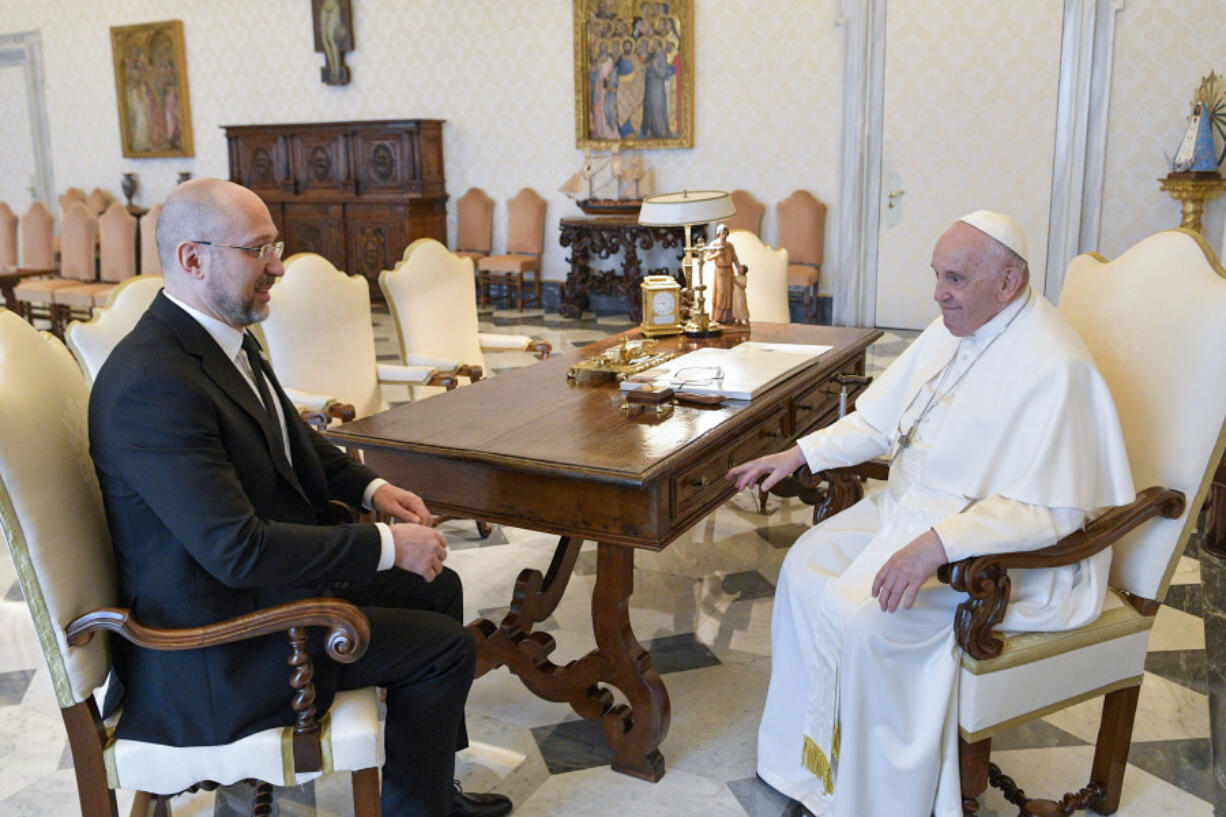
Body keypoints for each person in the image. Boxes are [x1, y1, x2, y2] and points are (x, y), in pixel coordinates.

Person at [89, 178, 513, 817]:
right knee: (443, 649)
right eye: (258, 250)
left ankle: (427, 795)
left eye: (275, 247)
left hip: (250, 599)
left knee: (438, 589)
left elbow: (295, 441)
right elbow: (237, 551)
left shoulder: (219, 337)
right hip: (214, 651)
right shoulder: (153, 384)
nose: (277, 267)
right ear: (192, 259)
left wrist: (373, 488)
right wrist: (384, 545)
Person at [726, 211, 1134, 817]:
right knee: (804, 569)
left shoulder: (1056, 365)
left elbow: (1049, 513)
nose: (937, 293)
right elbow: (877, 421)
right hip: (910, 512)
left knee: (871, 623)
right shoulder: (957, 325)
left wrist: (934, 546)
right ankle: (808, 767)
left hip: (996, 554)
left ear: (1009, 281)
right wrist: (799, 452)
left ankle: (877, 798)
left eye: (955, 279)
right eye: (937, 275)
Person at [704, 223, 742, 324]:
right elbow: (707, 257)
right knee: (721, 293)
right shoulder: (714, 245)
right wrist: (717, 254)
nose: (724, 235)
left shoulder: (730, 245)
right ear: (718, 234)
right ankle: (718, 317)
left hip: (729, 271)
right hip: (720, 272)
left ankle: (728, 318)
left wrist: (739, 267)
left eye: (726, 233)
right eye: (722, 233)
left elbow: (734, 257)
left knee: (729, 294)